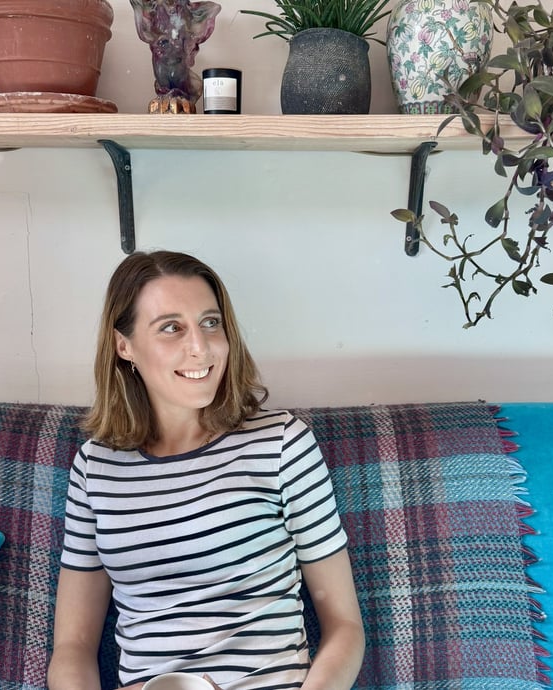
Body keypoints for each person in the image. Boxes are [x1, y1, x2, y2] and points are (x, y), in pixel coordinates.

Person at [47, 250, 364, 690]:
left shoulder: (280, 442)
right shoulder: (96, 466)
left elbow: (346, 627)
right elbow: (73, 646)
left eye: (211, 323)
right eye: (171, 328)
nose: (200, 347)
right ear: (124, 346)